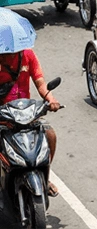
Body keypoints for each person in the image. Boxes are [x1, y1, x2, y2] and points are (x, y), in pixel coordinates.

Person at [0, 49, 60, 197]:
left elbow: (40, 82)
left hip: (27, 114)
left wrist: (50, 99)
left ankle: (45, 178)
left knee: (50, 134)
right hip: (4, 117)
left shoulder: (28, 55)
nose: (11, 54)